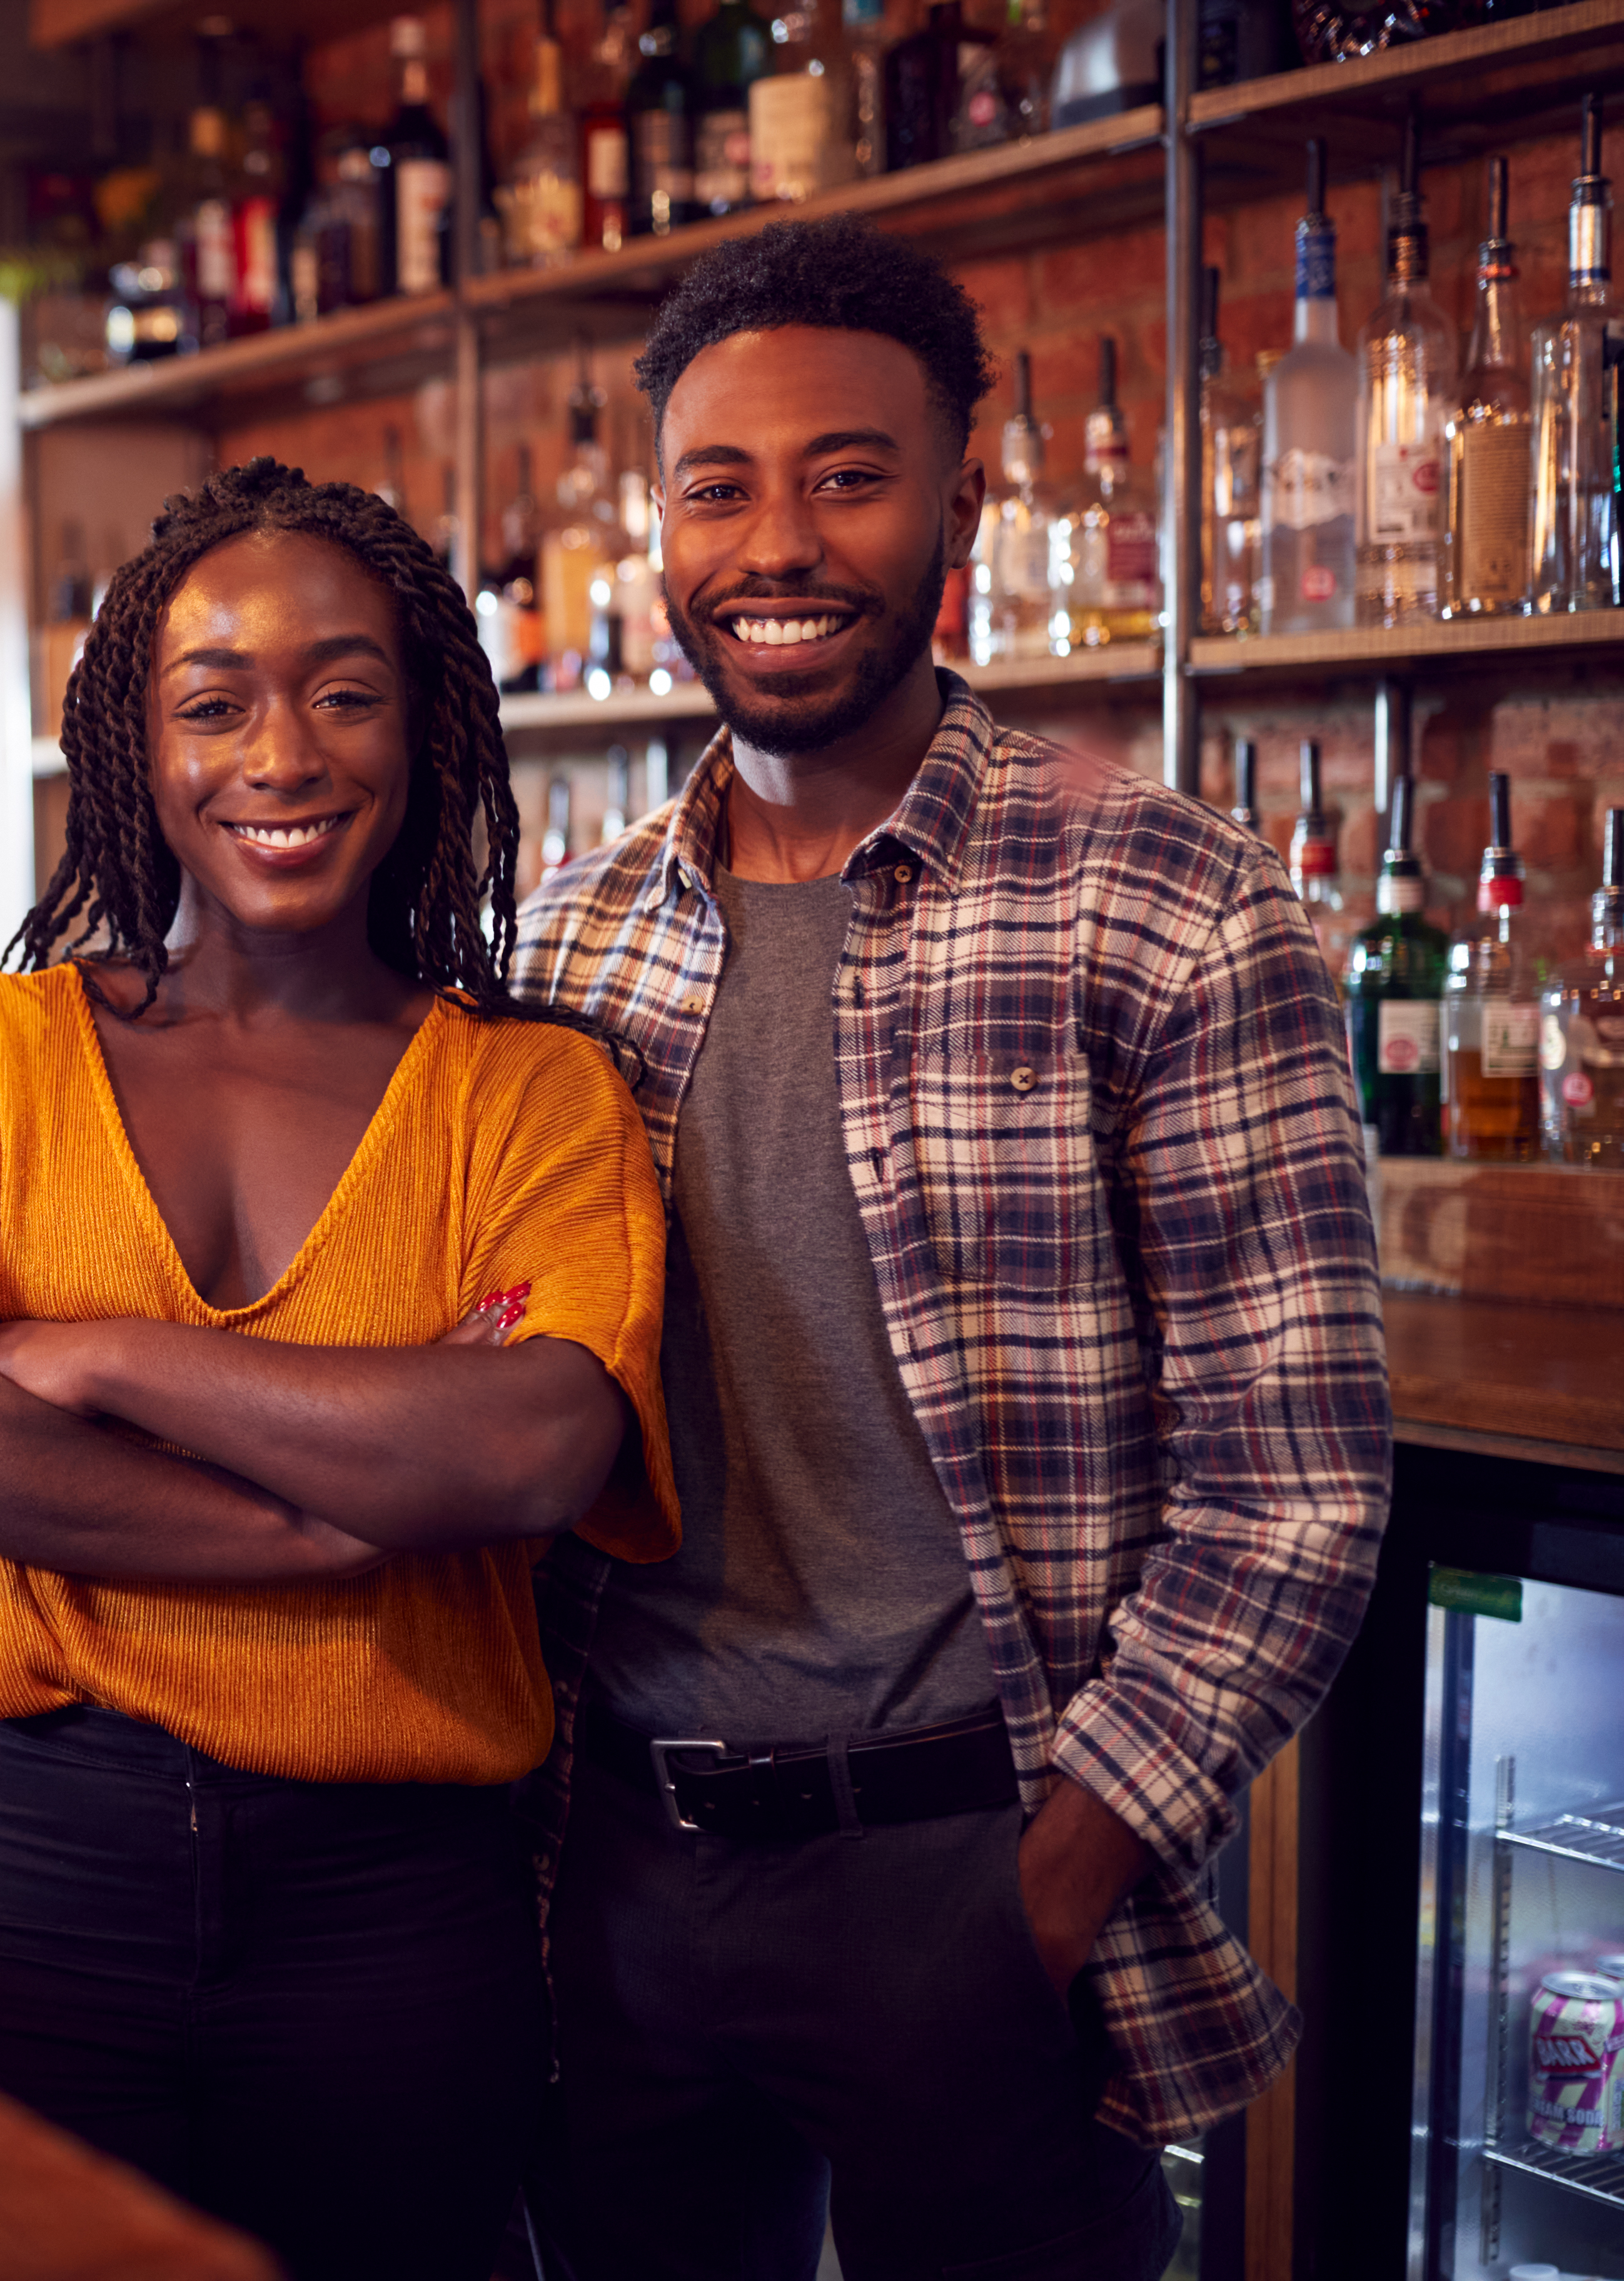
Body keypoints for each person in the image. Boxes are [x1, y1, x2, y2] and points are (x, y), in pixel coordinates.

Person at [512, 216, 1390, 2277]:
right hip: (611, 1857)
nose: (778, 543)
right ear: (659, 524)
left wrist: (1058, 1877)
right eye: (719, 486)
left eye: (848, 474)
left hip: (971, 1866)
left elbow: (1299, 1486)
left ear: (961, 501)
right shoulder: (562, 944)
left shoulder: (1166, 900)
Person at [0, 460, 679, 2278]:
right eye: (216, 703)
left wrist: (95, 1353)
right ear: (138, 744)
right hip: (42, 1868)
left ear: (426, 728)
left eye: (346, 693)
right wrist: (336, 1523)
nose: (283, 755)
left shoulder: (531, 1094)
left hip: (401, 1919)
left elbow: (526, 1446)